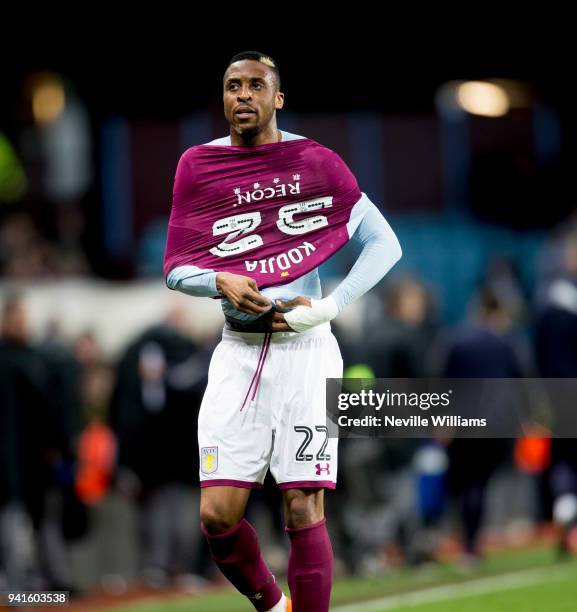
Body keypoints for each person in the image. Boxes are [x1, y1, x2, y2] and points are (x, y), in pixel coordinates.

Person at [163, 51, 402, 612]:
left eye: (254, 86)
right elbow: (176, 268)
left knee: (303, 504)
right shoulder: (197, 166)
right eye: (231, 86)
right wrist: (218, 280)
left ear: (278, 98)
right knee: (217, 518)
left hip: (306, 351)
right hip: (238, 354)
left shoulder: (313, 162)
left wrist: (327, 306)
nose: (241, 95)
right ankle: (274, 604)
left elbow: (385, 243)